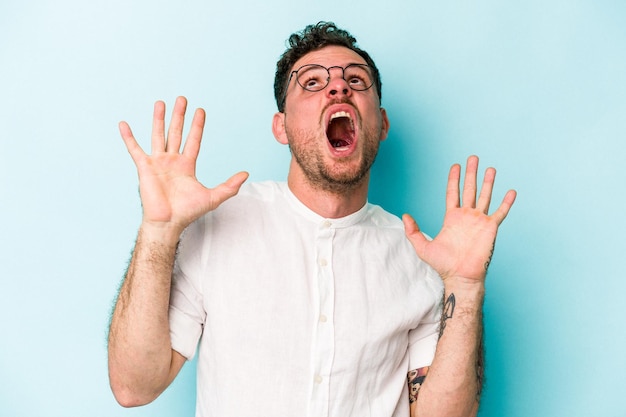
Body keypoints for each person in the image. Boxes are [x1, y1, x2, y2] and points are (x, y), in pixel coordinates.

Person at [107, 22, 516, 417]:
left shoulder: (422, 260)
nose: (339, 86)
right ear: (281, 127)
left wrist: (464, 288)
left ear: (382, 123)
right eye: (313, 83)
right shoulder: (218, 227)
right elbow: (134, 387)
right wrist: (158, 233)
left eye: (356, 81)